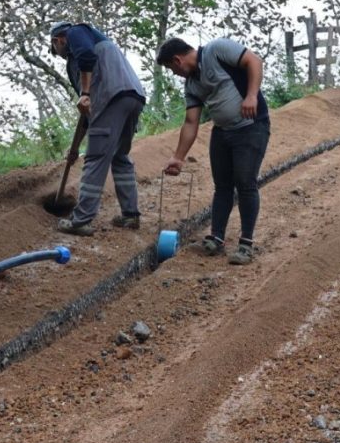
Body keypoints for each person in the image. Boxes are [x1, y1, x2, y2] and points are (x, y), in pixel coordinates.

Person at [156, 36, 270, 265]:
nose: (174, 73)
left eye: (170, 68)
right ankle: (216, 238)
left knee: (245, 182)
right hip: (222, 132)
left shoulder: (216, 50)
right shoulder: (191, 85)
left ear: (177, 60)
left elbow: (254, 61)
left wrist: (251, 95)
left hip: (251, 127)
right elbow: (191, 122)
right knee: (222, 186)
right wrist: (178, 157)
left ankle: (246, 244)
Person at [49, 21, 146, 236]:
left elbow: (86, 57)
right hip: (133, 97)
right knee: (120, 156)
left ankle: (80, 220)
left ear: (58, 40)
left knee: (95, 158)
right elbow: (88, 114)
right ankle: (130, 215)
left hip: (110, 97)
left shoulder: (76, 32)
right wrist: (75, 148)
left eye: (56, 50)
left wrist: (85, 93)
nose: (62, 56)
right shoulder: (96, 47)